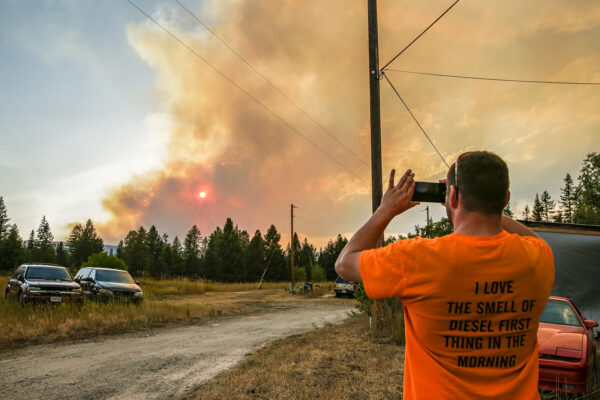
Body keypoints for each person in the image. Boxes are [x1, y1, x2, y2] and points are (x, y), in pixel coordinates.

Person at [335, 151, 554, 400]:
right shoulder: (538, 258)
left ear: (451, 196)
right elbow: (534, 240)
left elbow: (345, 263)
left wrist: (386, 209)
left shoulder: (417, 259)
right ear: (505, 199)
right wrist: (482, 202)